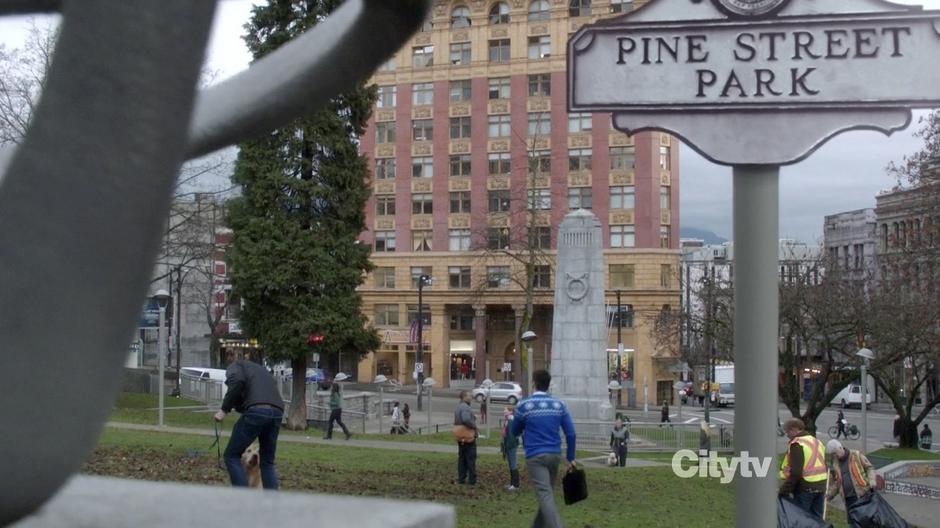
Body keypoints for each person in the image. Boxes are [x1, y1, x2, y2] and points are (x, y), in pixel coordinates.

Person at [511, 369, 576, 528]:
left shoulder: (524, 405)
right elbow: (571, 433)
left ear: (534, 383)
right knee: (547, 494)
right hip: (554, 455)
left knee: (545, 494)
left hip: (535, 456)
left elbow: (514, 431)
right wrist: (570, 457)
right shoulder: (559, 405)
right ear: (548, 385)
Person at [213, 350, 284, 489]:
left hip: (257, 410)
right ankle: (273, 503)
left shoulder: (235, 367)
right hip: (277, 410)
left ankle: (243, 499)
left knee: (231, 455)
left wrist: (223, 410)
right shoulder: (260, 370)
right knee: (267, 462)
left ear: (231, 359)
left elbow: (237, 383)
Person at [779, 418, 828, 518]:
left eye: (787, 432)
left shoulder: (797, 444)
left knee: (801, 519)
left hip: (805, 487)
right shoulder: (816, 441)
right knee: (816, 521)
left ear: (793, 430)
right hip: (821, 485)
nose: (787, 435)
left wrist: (784, 490)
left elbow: (796, 472)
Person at [825, 438, 876, 526]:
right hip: (848, 499)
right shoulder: (836, 464)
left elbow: (869, 468)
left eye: (835, 453)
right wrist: (829, 496)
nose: (834, 456)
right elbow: (838, 483)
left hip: (862, 495)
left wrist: (872, 480)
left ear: (840, 448)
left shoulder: (856, 455)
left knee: (864, 521)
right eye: (832, 455)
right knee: (852, 523)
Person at [454, 390, 478, 485]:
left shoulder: (458, 407)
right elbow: (466, 419)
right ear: (464, 397)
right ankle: (472, 480)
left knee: (462, 458)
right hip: (467, 435)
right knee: (470, 458)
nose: (471, 397)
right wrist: (474, 425)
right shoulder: (466, 407)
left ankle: (461, 478)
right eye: (469, 395)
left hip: (460, 435)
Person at [501, 405, 520, 490]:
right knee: (511, 464)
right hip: (508, 445)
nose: (504, 412)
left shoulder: (511, 420)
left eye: (505, 410)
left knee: (513, 464)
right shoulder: (507, 420)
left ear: (510, 411)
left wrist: (508, 446)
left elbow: (511, 436)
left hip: (511, 445)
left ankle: (515, 484)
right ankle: (512, 483)